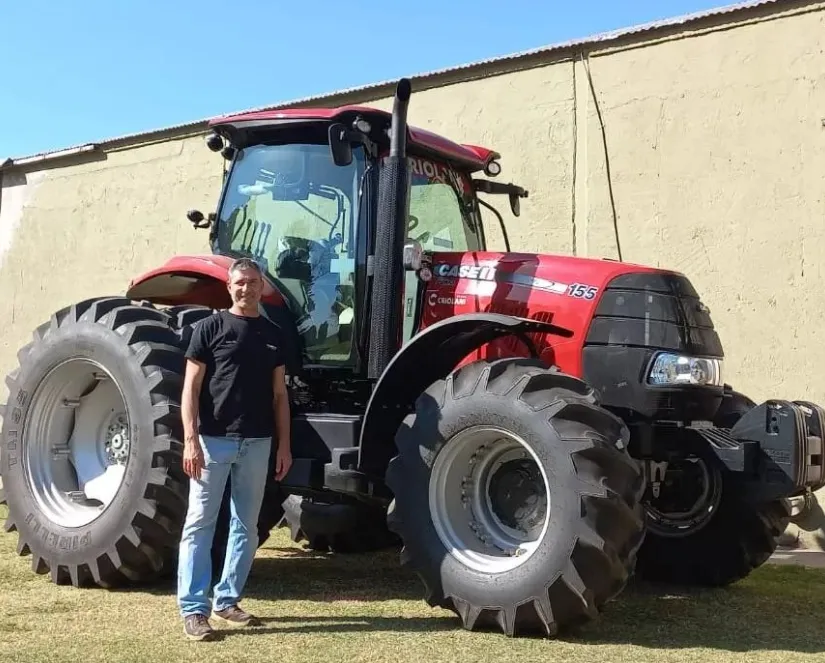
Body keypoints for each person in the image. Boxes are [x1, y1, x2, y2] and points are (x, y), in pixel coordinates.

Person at [176, 257, 293, 642]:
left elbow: (280, 397)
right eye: (241, 282)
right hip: (213, 442)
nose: (247, 288)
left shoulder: (273, 335)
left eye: (254, 282)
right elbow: (190, 390)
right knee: (200, 524)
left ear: (262, 286)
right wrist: (191, 440)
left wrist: (284, 446)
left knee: (246, 526)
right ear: (230, 286)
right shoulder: (208, 329)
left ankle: (227, 600)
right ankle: (194, 609)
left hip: (258, 443)